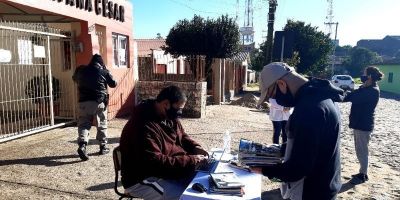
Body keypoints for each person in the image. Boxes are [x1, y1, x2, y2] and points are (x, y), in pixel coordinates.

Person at [253, 62, 344, 200]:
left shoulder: (310, 109)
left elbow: (298, 169)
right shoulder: (321, 96)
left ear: (281, 84)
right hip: (325, 183)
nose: (275, 100)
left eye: (272, 95)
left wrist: (263, 169)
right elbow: (310, 144)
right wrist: (274, 150)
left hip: (312, 191)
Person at [119, 85, 209, 200]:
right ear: (166, 104)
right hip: (142, 178)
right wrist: (192, 160)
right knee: (185, 196)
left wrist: (195, 147)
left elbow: (182, 136)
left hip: (165, 171)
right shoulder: (142, 125)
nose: (179, 113)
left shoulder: (168, 116)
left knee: (204, 181)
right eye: (178, 109)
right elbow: (155, 163)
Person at [72, 54, 117, 161]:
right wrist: (107, 71)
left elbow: (74, 79)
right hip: (99, 102)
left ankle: (82, 145)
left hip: (83, 102)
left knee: (83, 124)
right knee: (101, 123)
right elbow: (113, 84)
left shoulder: (81, 70)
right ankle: (103, 146)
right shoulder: (103, 71)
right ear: (101, 63)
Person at [343, 66, 383, 185]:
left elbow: (353, 98)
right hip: (359, 123)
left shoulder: (372, 91)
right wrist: (361, 88)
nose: (362, 75)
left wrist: (360, 89)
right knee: (359, 150)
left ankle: (363, 175)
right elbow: (351, 96)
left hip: (363, 124)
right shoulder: (367, 88)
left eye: (364, 74)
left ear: (369, 76)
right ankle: (362, 172)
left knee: (362, 151)